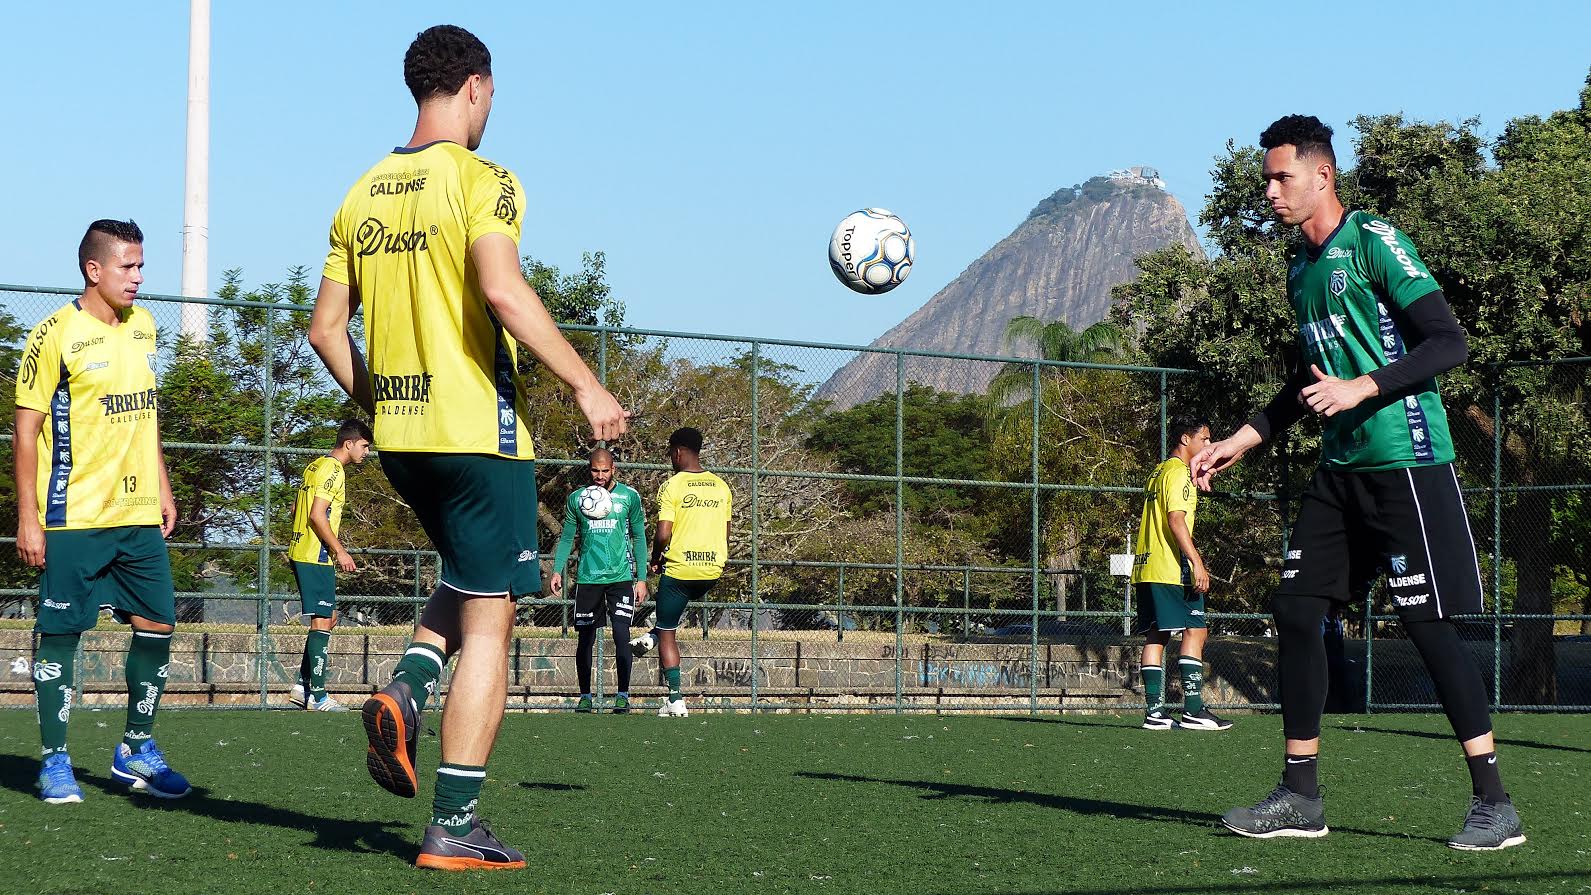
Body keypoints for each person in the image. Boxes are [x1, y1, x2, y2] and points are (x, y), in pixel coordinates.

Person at [307, 25, 627, 870]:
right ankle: (453, 823)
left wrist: (378, 402)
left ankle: (406, 687)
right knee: (493, 622)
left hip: (404, 439)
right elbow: (500, 286)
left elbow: (324, 329)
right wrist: (584, 384)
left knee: (468, 576)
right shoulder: (484, 179)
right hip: (479, 435)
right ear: (477, 87)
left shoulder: (361, 191)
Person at [1195, 115, 1523, 850]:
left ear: (1322, 176)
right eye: (1267, 179)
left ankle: (1494, 802)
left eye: (1281, 177)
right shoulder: (1298, 269)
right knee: (1295, 606)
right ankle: (1299, 795)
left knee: (1427, 627)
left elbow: (1448, 340)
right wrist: (1237, 442)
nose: (1270, 191)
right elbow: (1299, 385)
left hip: (1405, 464)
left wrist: (1362, 386)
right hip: (1339, 472)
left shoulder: (1372, 242)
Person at [15, 219, 191, 803]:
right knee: (61, 632)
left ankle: (135, 749)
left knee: (159, 624)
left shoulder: (143, 328)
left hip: (137, 515)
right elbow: (25, 430)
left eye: (141, 266)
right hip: (75, 516)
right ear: (94, 270)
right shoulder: (53, 336)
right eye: (128, 267)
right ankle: (55, 760)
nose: (139, 278)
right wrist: (28, 518)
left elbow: (147, 414)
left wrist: (163, 484)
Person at [1131, 415, 1230, 732]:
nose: (1207, 444)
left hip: (1147, 566)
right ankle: (1193, 710)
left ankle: (1155, 713)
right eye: (1204, 438)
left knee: (1157, 634)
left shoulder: (1158, 471)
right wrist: (1197, 561)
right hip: (1172, 569)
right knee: (1196, 630)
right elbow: (1176, 520)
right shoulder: (1178, 474)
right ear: (1185, 440)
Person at [549, 449, 647, 713]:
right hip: (588, 578)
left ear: (613, 468)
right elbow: (567, 537)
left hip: (621, 577)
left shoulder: (629, 497)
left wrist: (642, 578)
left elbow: (639, 537)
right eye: (595, 470)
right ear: (589, 469)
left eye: (605, 470)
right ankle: (585, 696)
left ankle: (623, 695)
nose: (600, 476)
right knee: (585, 638)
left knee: (621, 634)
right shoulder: (577, 499)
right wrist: (557, 570)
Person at [643, 428, 732, 718]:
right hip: (712, 571)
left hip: (681, 570)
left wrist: (656, 558)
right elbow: (726, 532)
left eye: (671, 452)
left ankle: (675, 699)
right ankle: (652, 634)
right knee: (672, 613)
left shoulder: (672, 486)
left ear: (678, 452)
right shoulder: (721, 486)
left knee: (668, 631)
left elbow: (663, 533)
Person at [286, 418, 372, 712]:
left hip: (303, 550)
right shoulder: (334, 469)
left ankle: (302, 686)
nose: (367, 452)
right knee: (322, 620)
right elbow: (315, 514)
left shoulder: (315, 465)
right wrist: (340, 551)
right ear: (349, 444)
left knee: (329, 616)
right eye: (364, 446)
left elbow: (297, 508)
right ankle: (319, 697)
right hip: (316, 554)